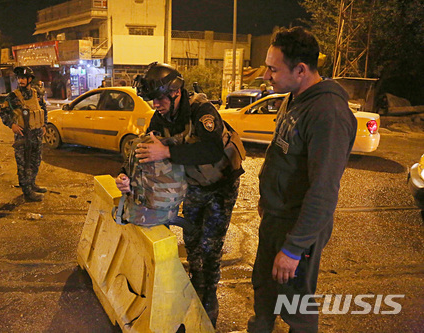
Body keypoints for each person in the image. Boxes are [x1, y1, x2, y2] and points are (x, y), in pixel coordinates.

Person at [115, 62, 244, 327]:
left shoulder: (202, 112)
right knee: (193, 244)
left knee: (210, 251)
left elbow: (212, 151)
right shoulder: (160, 118)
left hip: (221, 187)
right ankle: (194, 297)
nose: (155, 105)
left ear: (175, 92)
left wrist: (168, 152)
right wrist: (126, 177)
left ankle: (207, 313)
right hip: (194, 187)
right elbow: (143, 151)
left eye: (159, 98)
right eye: (152, 100)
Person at [247, 27, 357, 333]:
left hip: (298, 227)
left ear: (301, 69)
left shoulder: (328, 114)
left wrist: (294, 248)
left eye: (272, 69)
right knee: (265, 292)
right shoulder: (294, 97)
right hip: (276, 218)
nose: (266, 76)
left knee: (296, 306)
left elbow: (323, 190)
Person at [0, 66, 48, 202]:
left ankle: (32, 184)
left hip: (37, 134)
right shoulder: (13, 96)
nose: (21, 80)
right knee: (24, 164)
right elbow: (3, 113)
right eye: (19, 78)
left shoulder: (36, 94)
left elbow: (43, 109)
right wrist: (12, 125)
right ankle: (27, 192)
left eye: (23, 78)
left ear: (29, 80)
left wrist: (44, 124)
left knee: (36, 161)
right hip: (23, 136)